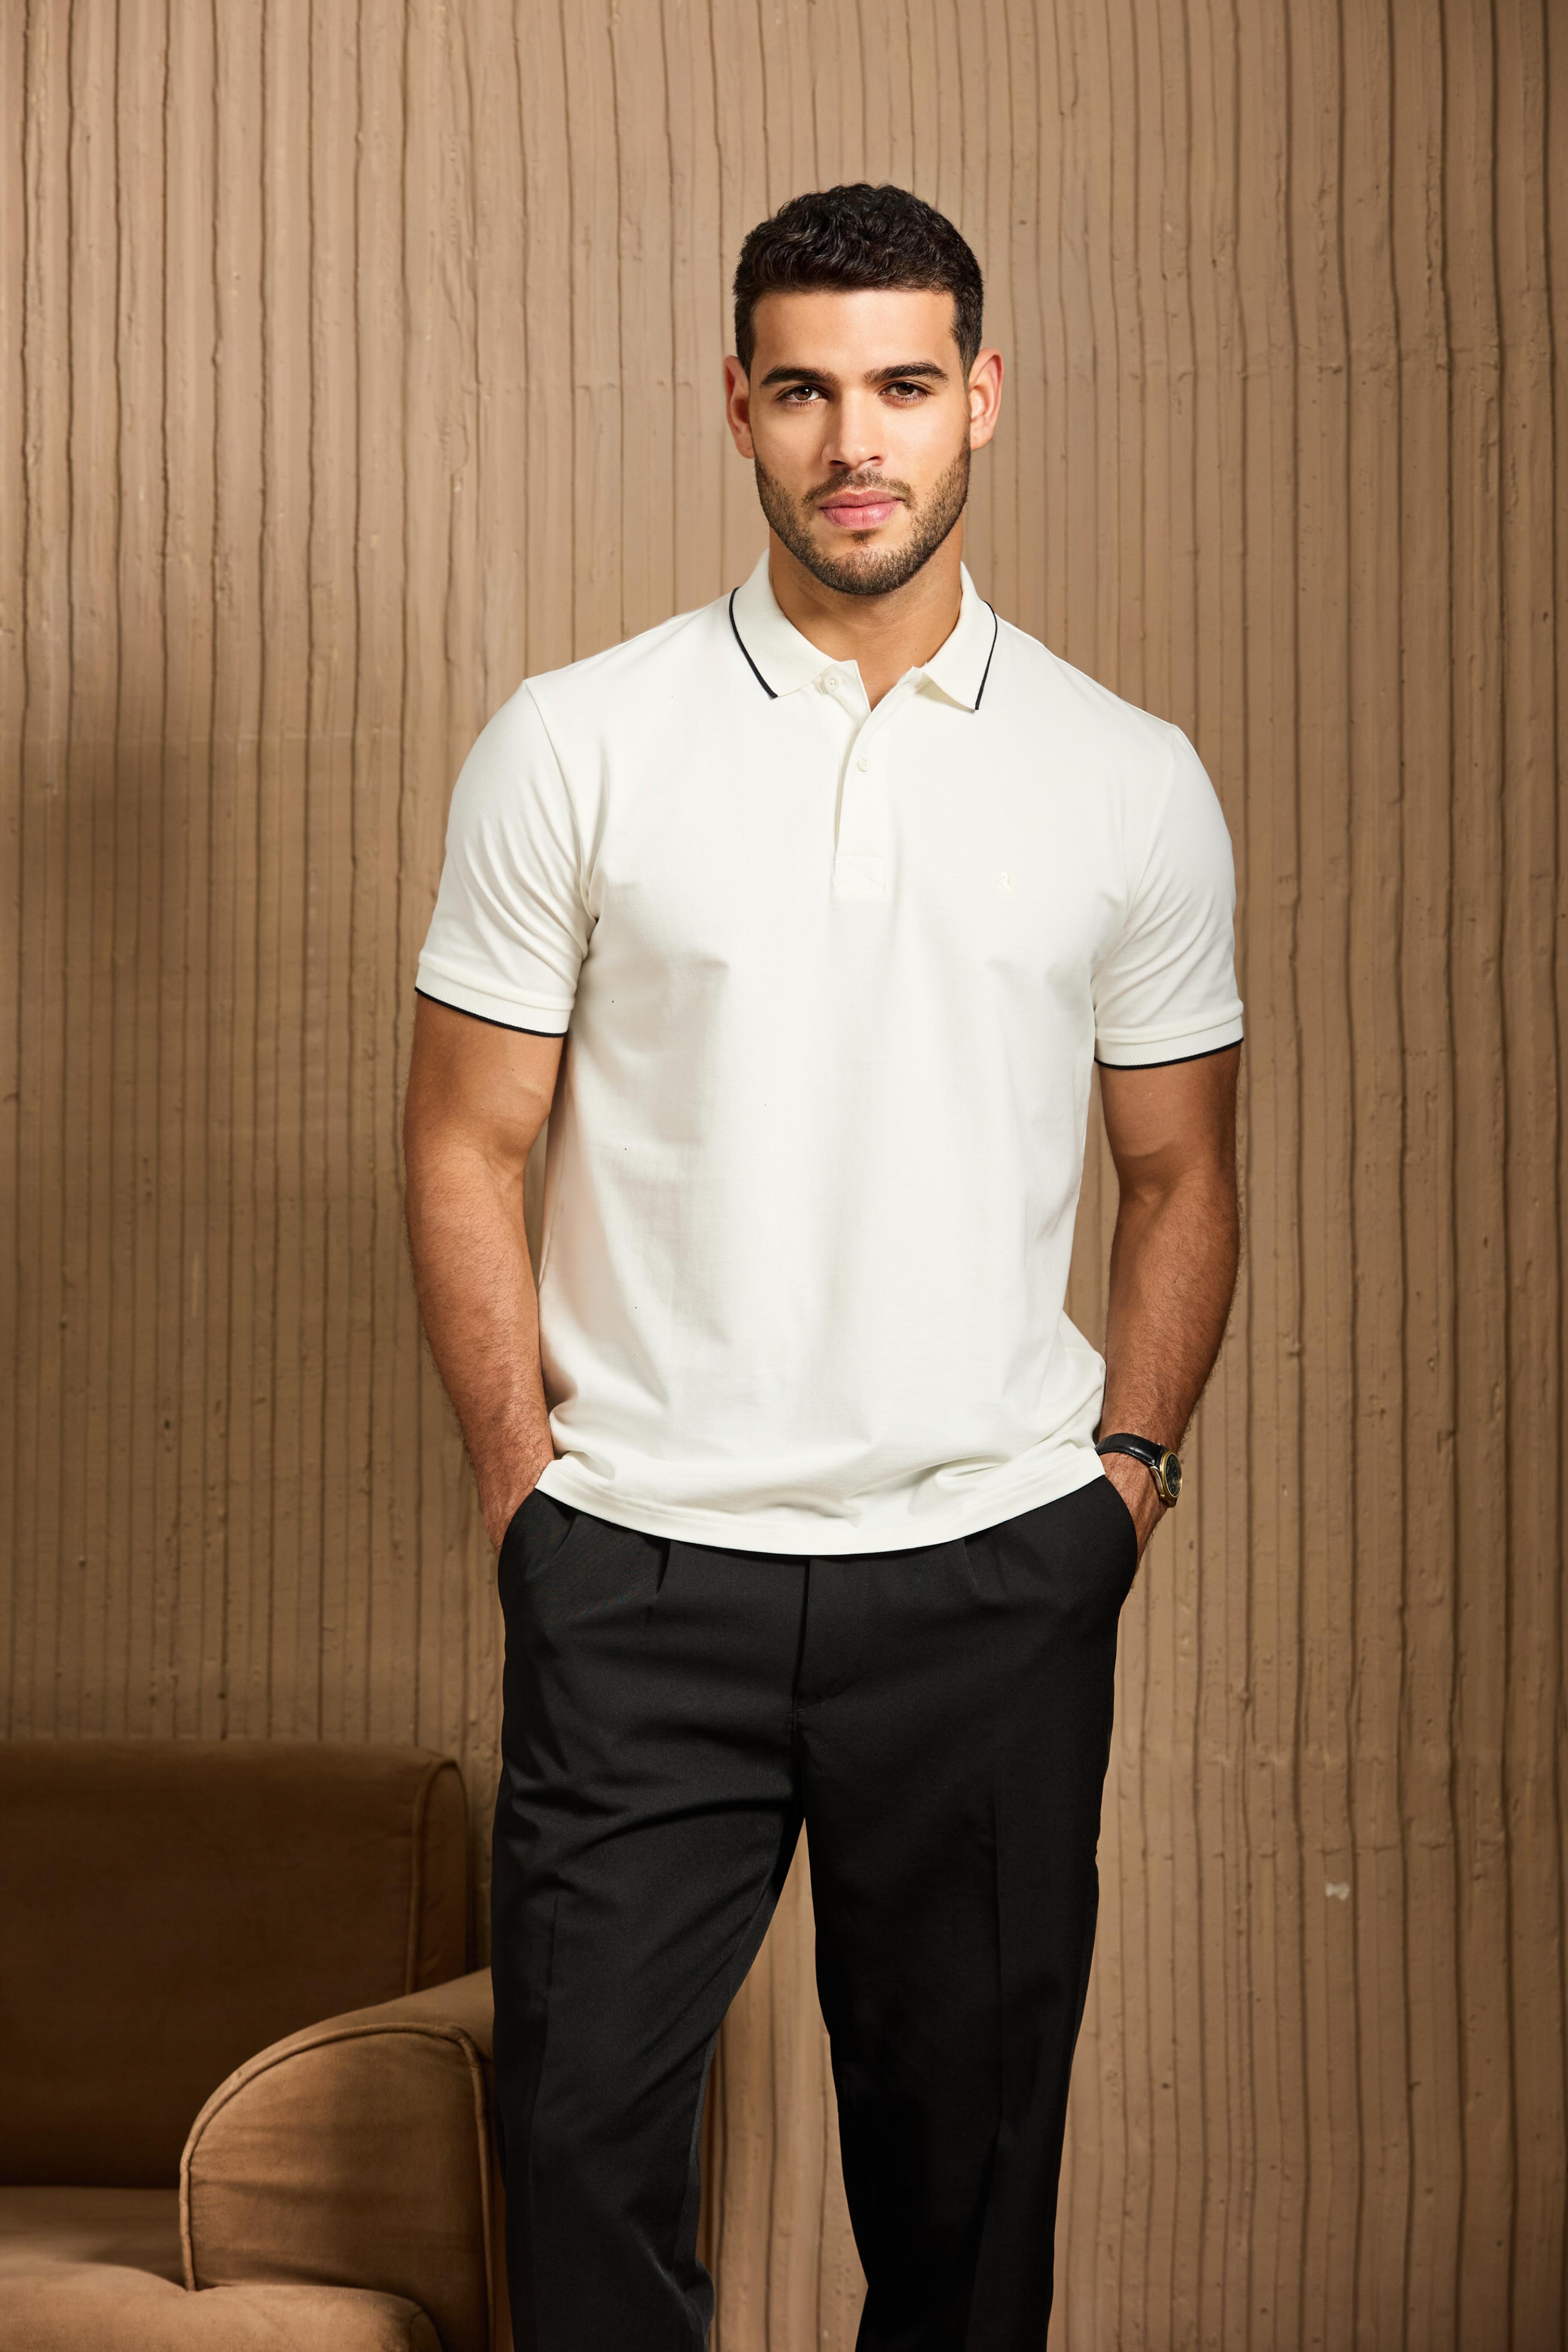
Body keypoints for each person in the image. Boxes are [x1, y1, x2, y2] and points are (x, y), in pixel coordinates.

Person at [404, 181, 1242, 2352]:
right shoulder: (576, 740)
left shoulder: (1129, 779)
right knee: (578, 2161)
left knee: (968, 2216)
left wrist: (1122, 1487)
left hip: (989, 1581)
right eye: (803, 391)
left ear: (984, 397)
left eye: (901, 387)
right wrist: (526, 1501)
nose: (854, 441)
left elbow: (1181, 1176)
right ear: (737, 408)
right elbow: (464, 1143)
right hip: (636, 1570)